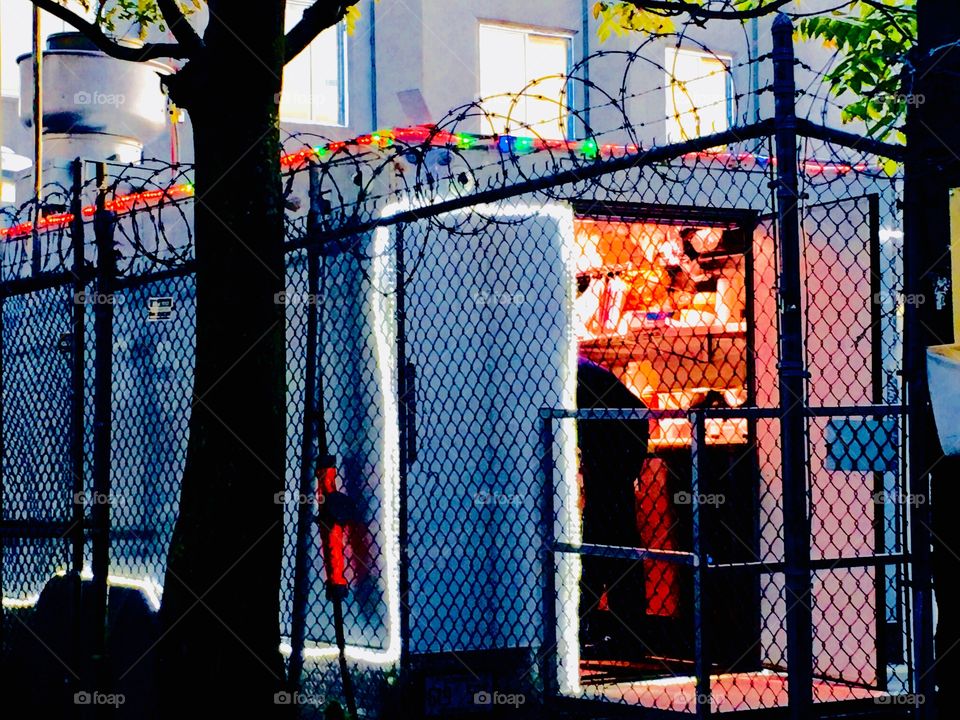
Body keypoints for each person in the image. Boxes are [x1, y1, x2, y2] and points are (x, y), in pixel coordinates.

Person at [577, 356, 649, 658]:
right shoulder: (583, 372)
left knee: (601, 544)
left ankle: (587, 626)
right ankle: (621, 631)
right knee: (611, 544)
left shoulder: (571, 373)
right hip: (613, 453)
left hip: (609, 455)